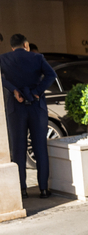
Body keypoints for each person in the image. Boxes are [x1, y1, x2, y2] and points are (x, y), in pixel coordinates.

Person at [0, 34, 56, 198]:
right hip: (36, 106)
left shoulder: (4, 59)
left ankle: (22, 189)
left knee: (18, 148)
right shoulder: (37, 57)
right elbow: (51, 75)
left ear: (12, 47)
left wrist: (13, 89)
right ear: (26, 44)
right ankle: (44, 189)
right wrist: (37, 92)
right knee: (40, 147)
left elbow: (1, 79)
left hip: (16, 108)